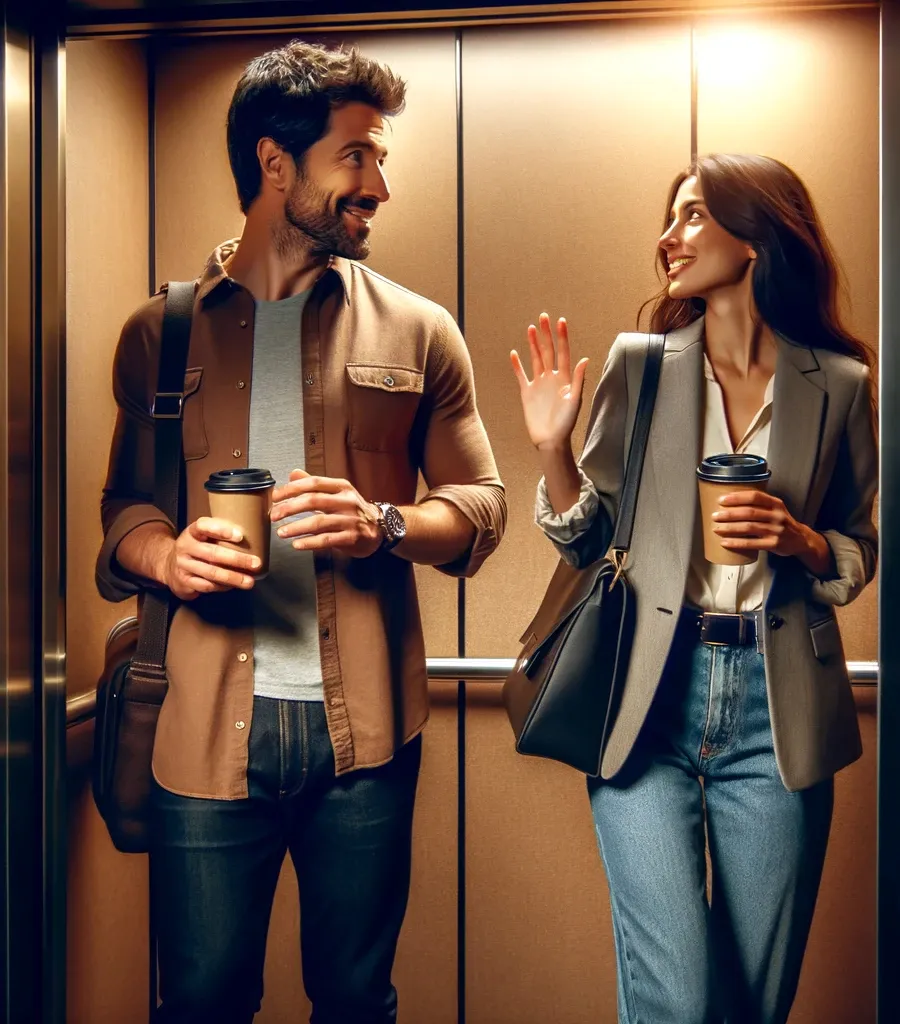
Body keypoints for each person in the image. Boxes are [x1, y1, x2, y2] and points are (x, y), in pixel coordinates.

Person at [96, 40, 506, 1024]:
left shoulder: (419, 329)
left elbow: (480, 507)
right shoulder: (161, 333)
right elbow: (125, 512)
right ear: (275, 162)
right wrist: (167, 552)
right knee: (199, 1000)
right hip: (200, 733)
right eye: (357, 155)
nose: (379, 183)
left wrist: (385, 522)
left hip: (364, 735)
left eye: (379, 157)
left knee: (357, 999)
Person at [511, 153, 877, 1024]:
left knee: (754, 1002)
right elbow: (587, 538)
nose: (667, 239)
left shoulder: (841, 386)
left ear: (754, 236)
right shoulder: (643, 367)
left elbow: (859, 549)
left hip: (776, 705)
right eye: (669, 219)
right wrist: (553, 449)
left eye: (691, 217)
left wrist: (799, 539)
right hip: (649, 694)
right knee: (674, 997)